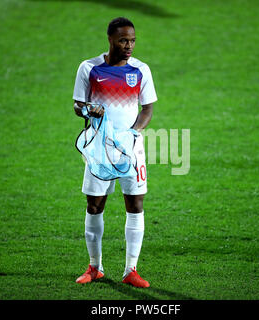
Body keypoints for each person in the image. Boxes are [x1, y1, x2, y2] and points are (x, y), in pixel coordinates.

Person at [72, 17, 157, 288]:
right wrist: (88, 109)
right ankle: (95, 267)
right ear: (110, 39)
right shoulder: (89, 68)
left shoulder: (141, 70)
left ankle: (131, 270)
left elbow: (147, 109)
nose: (129, 45)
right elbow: (77, 105)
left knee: (135, 204)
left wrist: (133, 134)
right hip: (99, 149)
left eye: (132, 40)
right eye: (123, 40)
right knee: (95, 205)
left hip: (131, 149)